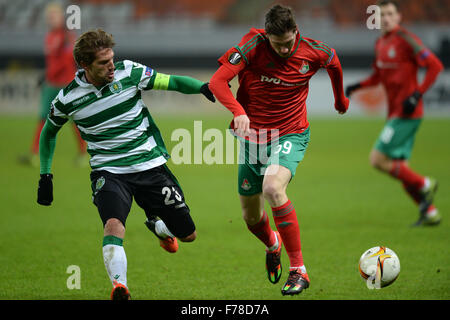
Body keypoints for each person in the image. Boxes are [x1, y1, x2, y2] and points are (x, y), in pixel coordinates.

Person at [36, 28, 216, 300]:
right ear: (85, 65)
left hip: (150, 166)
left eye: (112, 59)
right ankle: (120, 287)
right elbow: (48, 133)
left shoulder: (129, 72)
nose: (111, 66)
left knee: (188, 235)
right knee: (113, 225)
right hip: (109, 173)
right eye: (103, 62)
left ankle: (160, 226)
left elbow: (173, 82)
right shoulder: (67, 99)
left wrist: (202, 87)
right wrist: (45, 176)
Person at [209, 4, 349, 296]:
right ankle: (273, 244)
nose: (284, 50)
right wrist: (237, 111)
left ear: (296, 32)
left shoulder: (314, 50)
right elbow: (217, 82)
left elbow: (334, 63)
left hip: (291, 132)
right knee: (250, 217)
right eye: (277, 44)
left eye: (288, 43)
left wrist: (341, 100)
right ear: (267, 36)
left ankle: (299, 270)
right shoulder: (252, 46)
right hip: (253, 138)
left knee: (273, 187)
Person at [345, 0, 443, 226]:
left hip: (407, 113)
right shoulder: (380, 43)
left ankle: (425, 183)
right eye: (382, 15)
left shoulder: (407, 40)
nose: (386, 18)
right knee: (400, 168)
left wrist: (417, 95)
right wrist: (357, 86)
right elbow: (377, 77)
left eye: (390, 14)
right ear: (376, 19)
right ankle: (430, 213)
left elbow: (435, 65)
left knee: (378, 159)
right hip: (394, 113)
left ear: (398, 17)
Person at [18, 2, 87, 167]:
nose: (51, 19)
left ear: (61, 17)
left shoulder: (66, 37)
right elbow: (54, 62)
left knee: (75, 120)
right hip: (51, 84)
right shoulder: (51, 36)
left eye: (53, 16)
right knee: (43, 118)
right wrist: (48, 76)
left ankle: (83, 153)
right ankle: (35, 154)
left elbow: (67, 61)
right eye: (49, 16)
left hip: (66, 84)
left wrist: (48, 75)